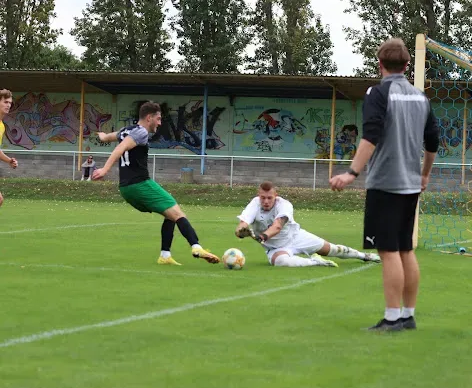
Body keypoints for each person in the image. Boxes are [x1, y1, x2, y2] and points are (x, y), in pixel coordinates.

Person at [330, 38, 439, 331]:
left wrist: (351, 173)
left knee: (388, 251)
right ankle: (408, 315)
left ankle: (392, 319)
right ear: (406, 65)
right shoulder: (421, 98)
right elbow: (433, 142)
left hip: (385, 184)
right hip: (410, 184)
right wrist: (425, 175)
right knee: (406, 249)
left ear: (379, 64)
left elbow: (371, 136)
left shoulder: (377, 94)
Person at [92, 101, 220, 265]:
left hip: (126, 189)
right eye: (158, 119)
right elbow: (120, 148)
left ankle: (165, 256)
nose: (160, 123)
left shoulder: (126, 131)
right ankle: (196, 247)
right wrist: (104, 170)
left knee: (170, 216)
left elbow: (109, 137)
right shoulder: (141, 133)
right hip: (140, 184)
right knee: (179, 213)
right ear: (148, 118)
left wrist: (102, 135)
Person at [234, 181, 380, 268]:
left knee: (332, 249)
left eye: (269, 198)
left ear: (275, 196)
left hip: (296, 237)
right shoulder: (254, 203)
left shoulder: (284, 205)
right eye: (262, 198)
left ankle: (364, 256)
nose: (265, 201)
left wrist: (263, 236)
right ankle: (315, 262)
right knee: (281, 261)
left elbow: (278, 226)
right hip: (275, 247)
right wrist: (241, 231)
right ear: (259, 196)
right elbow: (242, 223)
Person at [0, 89, 18, 207]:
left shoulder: (1, 126)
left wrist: (9, 161)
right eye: (5, 102)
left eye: (10, 103)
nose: (8, 105)